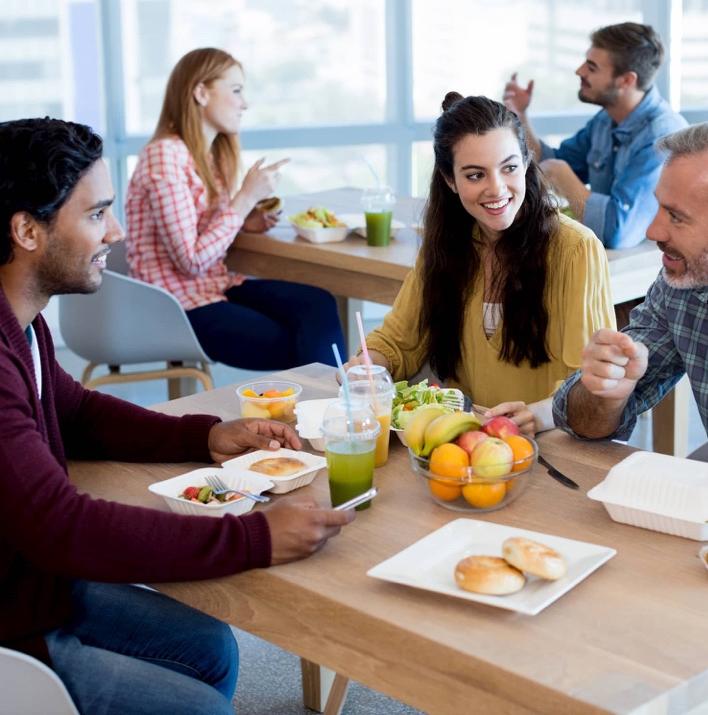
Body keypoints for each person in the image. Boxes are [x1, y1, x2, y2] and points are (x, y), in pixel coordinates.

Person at [0, 117, 354, 715]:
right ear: (26, 230)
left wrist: (207, 435)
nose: (114, 231)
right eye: (95, 214)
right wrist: (254, 536)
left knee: (210, 649)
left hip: (33, 581)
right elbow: (62, 527)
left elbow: (80, 411)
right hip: (13, 625)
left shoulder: (23, 324)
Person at [346, 92, 616, 436]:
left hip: (552, 448)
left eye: (509, 168)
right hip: (467, 444)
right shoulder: (445, 246)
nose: (497, 188)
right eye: (475, 175)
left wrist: (539, 414)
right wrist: (368, 369)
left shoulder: (577, 249)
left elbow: (590, 384)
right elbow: (399, 342)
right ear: (449, 180)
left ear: (526, 162)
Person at [553, 119, 708, 473]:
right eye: (659, 207)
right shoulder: (682, 287)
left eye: (677, 217)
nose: (653, 230)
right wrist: (607, 390)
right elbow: (583, 425)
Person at [125, 47, 346, 369]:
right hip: (178, 306)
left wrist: (243, 220)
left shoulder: (208, 156)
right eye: (236, 90)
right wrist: (243, 200)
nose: (245, 103)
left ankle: (331, 410)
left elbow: (195, 228)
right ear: (201, 92)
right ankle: (331, 412)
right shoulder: (165, 155)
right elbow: (191, 261)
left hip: (216, 287)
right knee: (299, 343)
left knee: (319, 304)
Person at [503, 22, 687, 251]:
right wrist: (520, 115)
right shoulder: (605, 120)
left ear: (626, 80)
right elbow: (545, 162)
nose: (579, 71)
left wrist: (564, 176)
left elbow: (617, 232)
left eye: (591, 67)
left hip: (645, 270)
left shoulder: (662, 136)